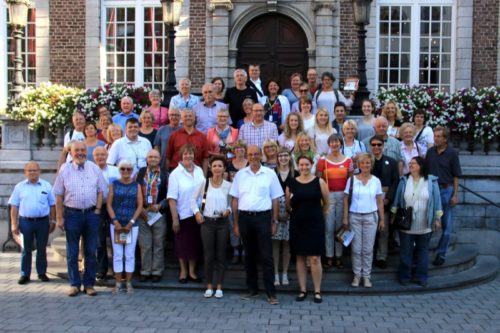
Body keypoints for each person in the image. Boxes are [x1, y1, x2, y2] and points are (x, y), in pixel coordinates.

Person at [230, 145, 283, 305]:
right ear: (247, 156)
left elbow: (275, 200)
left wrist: (274, 222)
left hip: (263, 217)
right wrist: (236, 224)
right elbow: (235, 200)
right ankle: (252, 289)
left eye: (256, 154)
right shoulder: (240, 175)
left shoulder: (270, 174)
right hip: (245, 218)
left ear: (261, 156)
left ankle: (271, 293)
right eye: (250, 154)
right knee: (249, 256)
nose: (253, 157)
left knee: (267, 256)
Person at [53, 141, 107, 297]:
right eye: (77, 150)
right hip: (72, 215)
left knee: (91, 251)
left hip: (91, 215)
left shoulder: (94, 168)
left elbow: (101, 191)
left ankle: (89, 284)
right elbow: (58, 195)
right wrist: (59, 217)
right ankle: (75, 284)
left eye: (83, 150)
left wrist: (97, 210)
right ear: (71, 152)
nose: (80, 153)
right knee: (72, 251)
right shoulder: (65, 169)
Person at [392, 156, 442, 286]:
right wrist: (393, 214)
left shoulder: (431, 181)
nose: (410, 165)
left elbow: (437, 201)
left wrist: (437, 218)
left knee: (423, 252)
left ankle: (421, 277)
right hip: (406, 224)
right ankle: (405, 276)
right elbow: (397, 199)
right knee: (405, 252)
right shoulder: (404, 180)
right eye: (410, 163)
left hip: (425, 224)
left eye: (413, 163)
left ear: (421, 165)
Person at [287, 155, 329, 303]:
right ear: (298, 166)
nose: (304, 167)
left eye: (307, 164)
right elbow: (288, 205)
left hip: (315, 224)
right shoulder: (292, 183)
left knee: (315, 258)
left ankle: (317, 290)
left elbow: (327, 203)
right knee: (300, 257)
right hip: (298, 223)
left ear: (311, 165)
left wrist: (319, 217)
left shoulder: (320, 182)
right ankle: (302, 289)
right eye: (301, 165)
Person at [9, 161, 56, 285]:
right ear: (25, 173)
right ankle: (25, 274)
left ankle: (41, 273)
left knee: (41, 249)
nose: (32, 172)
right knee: (26, 249)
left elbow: (52, 205)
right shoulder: (19, 187)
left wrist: (53, 220)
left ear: (39, 171)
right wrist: (14, 224)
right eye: (30, 170)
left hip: (43, 222)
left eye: (35, 170)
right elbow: (14, 206)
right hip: (26, 222)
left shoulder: (46, 186)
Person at [193, 156, 232, 298]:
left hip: (222, 223)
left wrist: (228, 210)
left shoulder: (228, 185)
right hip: (207, 223)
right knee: (208, 255)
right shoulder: (204, 183)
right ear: (210, 168)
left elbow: (231, 203)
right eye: (214, 166)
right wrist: (197, 213)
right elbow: (193, 200)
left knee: (221, 255)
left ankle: (220, 286)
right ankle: (209, 286)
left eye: (220, 166)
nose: (217, 168)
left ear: (224, 169)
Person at [343, 153, 384, 288]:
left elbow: (379, 201)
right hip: (354, 216)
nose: (365, 165)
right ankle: (357, 275)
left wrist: (382, 219)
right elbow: (345, 200)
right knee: (356, 249)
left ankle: (366, 276)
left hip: (371, 217)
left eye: (367, 163)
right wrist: (345, 217)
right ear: (358, 165)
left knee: (367, 249)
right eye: (362, 163)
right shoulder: (352, 180)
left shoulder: (376, 181)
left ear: (371, 165)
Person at [168, 144, 206, 284]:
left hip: (198, 214)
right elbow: (172, 198)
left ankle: (192, 271)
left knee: (195, 245)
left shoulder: (199, 170)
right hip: (183, 214)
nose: (188, 156)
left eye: (190, 154)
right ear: (181, 156)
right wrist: (175, 219)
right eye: (185, 154)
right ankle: (183, 271)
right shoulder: (175, 174)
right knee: (182, 245)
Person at [425, 126, 462, 266]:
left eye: (439, 136)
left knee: (446, 227)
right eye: (434, 136)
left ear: (445, 138)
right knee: (428, 223)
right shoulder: (430, 152)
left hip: (446, 191)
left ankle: (441, 254)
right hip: (431, 190)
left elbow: (456, 176)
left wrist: (455, 195)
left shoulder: (452, 154)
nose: (436, 139)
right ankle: (422, 252)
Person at [316, 134, 353, 269]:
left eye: (337, 142)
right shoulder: (323, 160)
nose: (334, 144)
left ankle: (339, 256)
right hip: (328, 196)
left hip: (343, 197)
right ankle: (329, 256)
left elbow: (351, 181)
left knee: (339, 228)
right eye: (332, 142)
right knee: (328, 228)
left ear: (341, 143)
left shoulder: (348, 160)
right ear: (329, 144)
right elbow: (319, 180)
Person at [107, 159, 143, 294]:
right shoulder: (113, 185)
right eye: (123, 169)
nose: (126, 171)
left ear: (132, 171)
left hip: (131, 225)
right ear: (119, 170)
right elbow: (109, 204)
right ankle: (117, 283)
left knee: (129, 254)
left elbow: (140, 205)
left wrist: (132, 222)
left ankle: (128, 283)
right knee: (117, 254)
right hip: (116, 224)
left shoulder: (136, 185)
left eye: (129, 169)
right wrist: (115, 221)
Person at [136, 149, 169, 282]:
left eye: (155, 157)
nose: (153, 159)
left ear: (160, 158)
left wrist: (160, 206)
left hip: (158, 213)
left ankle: (157, 271)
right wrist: (140, 208)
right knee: (145, 244)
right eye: (150, 157)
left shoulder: (166, 175)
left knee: (159, 244)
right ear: (147, 159)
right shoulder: (140, 173)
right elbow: (134, 190)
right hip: (143, 213)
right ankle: (145, 271)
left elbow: (170, 195)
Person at [369, 135, 400, 269]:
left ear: (383, 146)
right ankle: (369, 256)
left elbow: (395, 182)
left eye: (379, 145)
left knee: (383, 230)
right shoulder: (366, 161)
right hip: (368, 200)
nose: (376, 147)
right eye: (374, 145)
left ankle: (381, 257)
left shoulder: (391, 162)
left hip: (385, 200)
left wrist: (388, 198)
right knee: (369, 231)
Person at [93, 147, 120, 281]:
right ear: (93, 157)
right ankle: (101, 269)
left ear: (107, 155)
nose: (100, 157)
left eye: (103, 154)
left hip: (115, 207)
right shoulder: (90, 170)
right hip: (98, 208)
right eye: (97, 155)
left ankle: (118, 270)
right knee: (99, 239)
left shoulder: (116, 170)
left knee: (117, 239)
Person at [272, 147, 297, 287]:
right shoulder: (271, 173)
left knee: (287, 244)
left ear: (289, 157)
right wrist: (275, 215)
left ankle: (285, 273)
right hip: (274, 210)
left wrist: (288, 212)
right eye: (280, 155)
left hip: (291, 211)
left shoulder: (296, 173)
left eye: (285, 155)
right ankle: (276, 273)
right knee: (275, 244)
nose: (283, 158)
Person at [166, 108, 209, 174]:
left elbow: (205, 159)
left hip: (196, 173)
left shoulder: (202, 137)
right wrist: (168, 174)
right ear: (182, 119)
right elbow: (168, 157)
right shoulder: (174, 135)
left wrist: (204, 176)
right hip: (177, 172)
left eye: (190, 116)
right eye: (185, 116)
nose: (188, 118)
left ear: (194, 118)